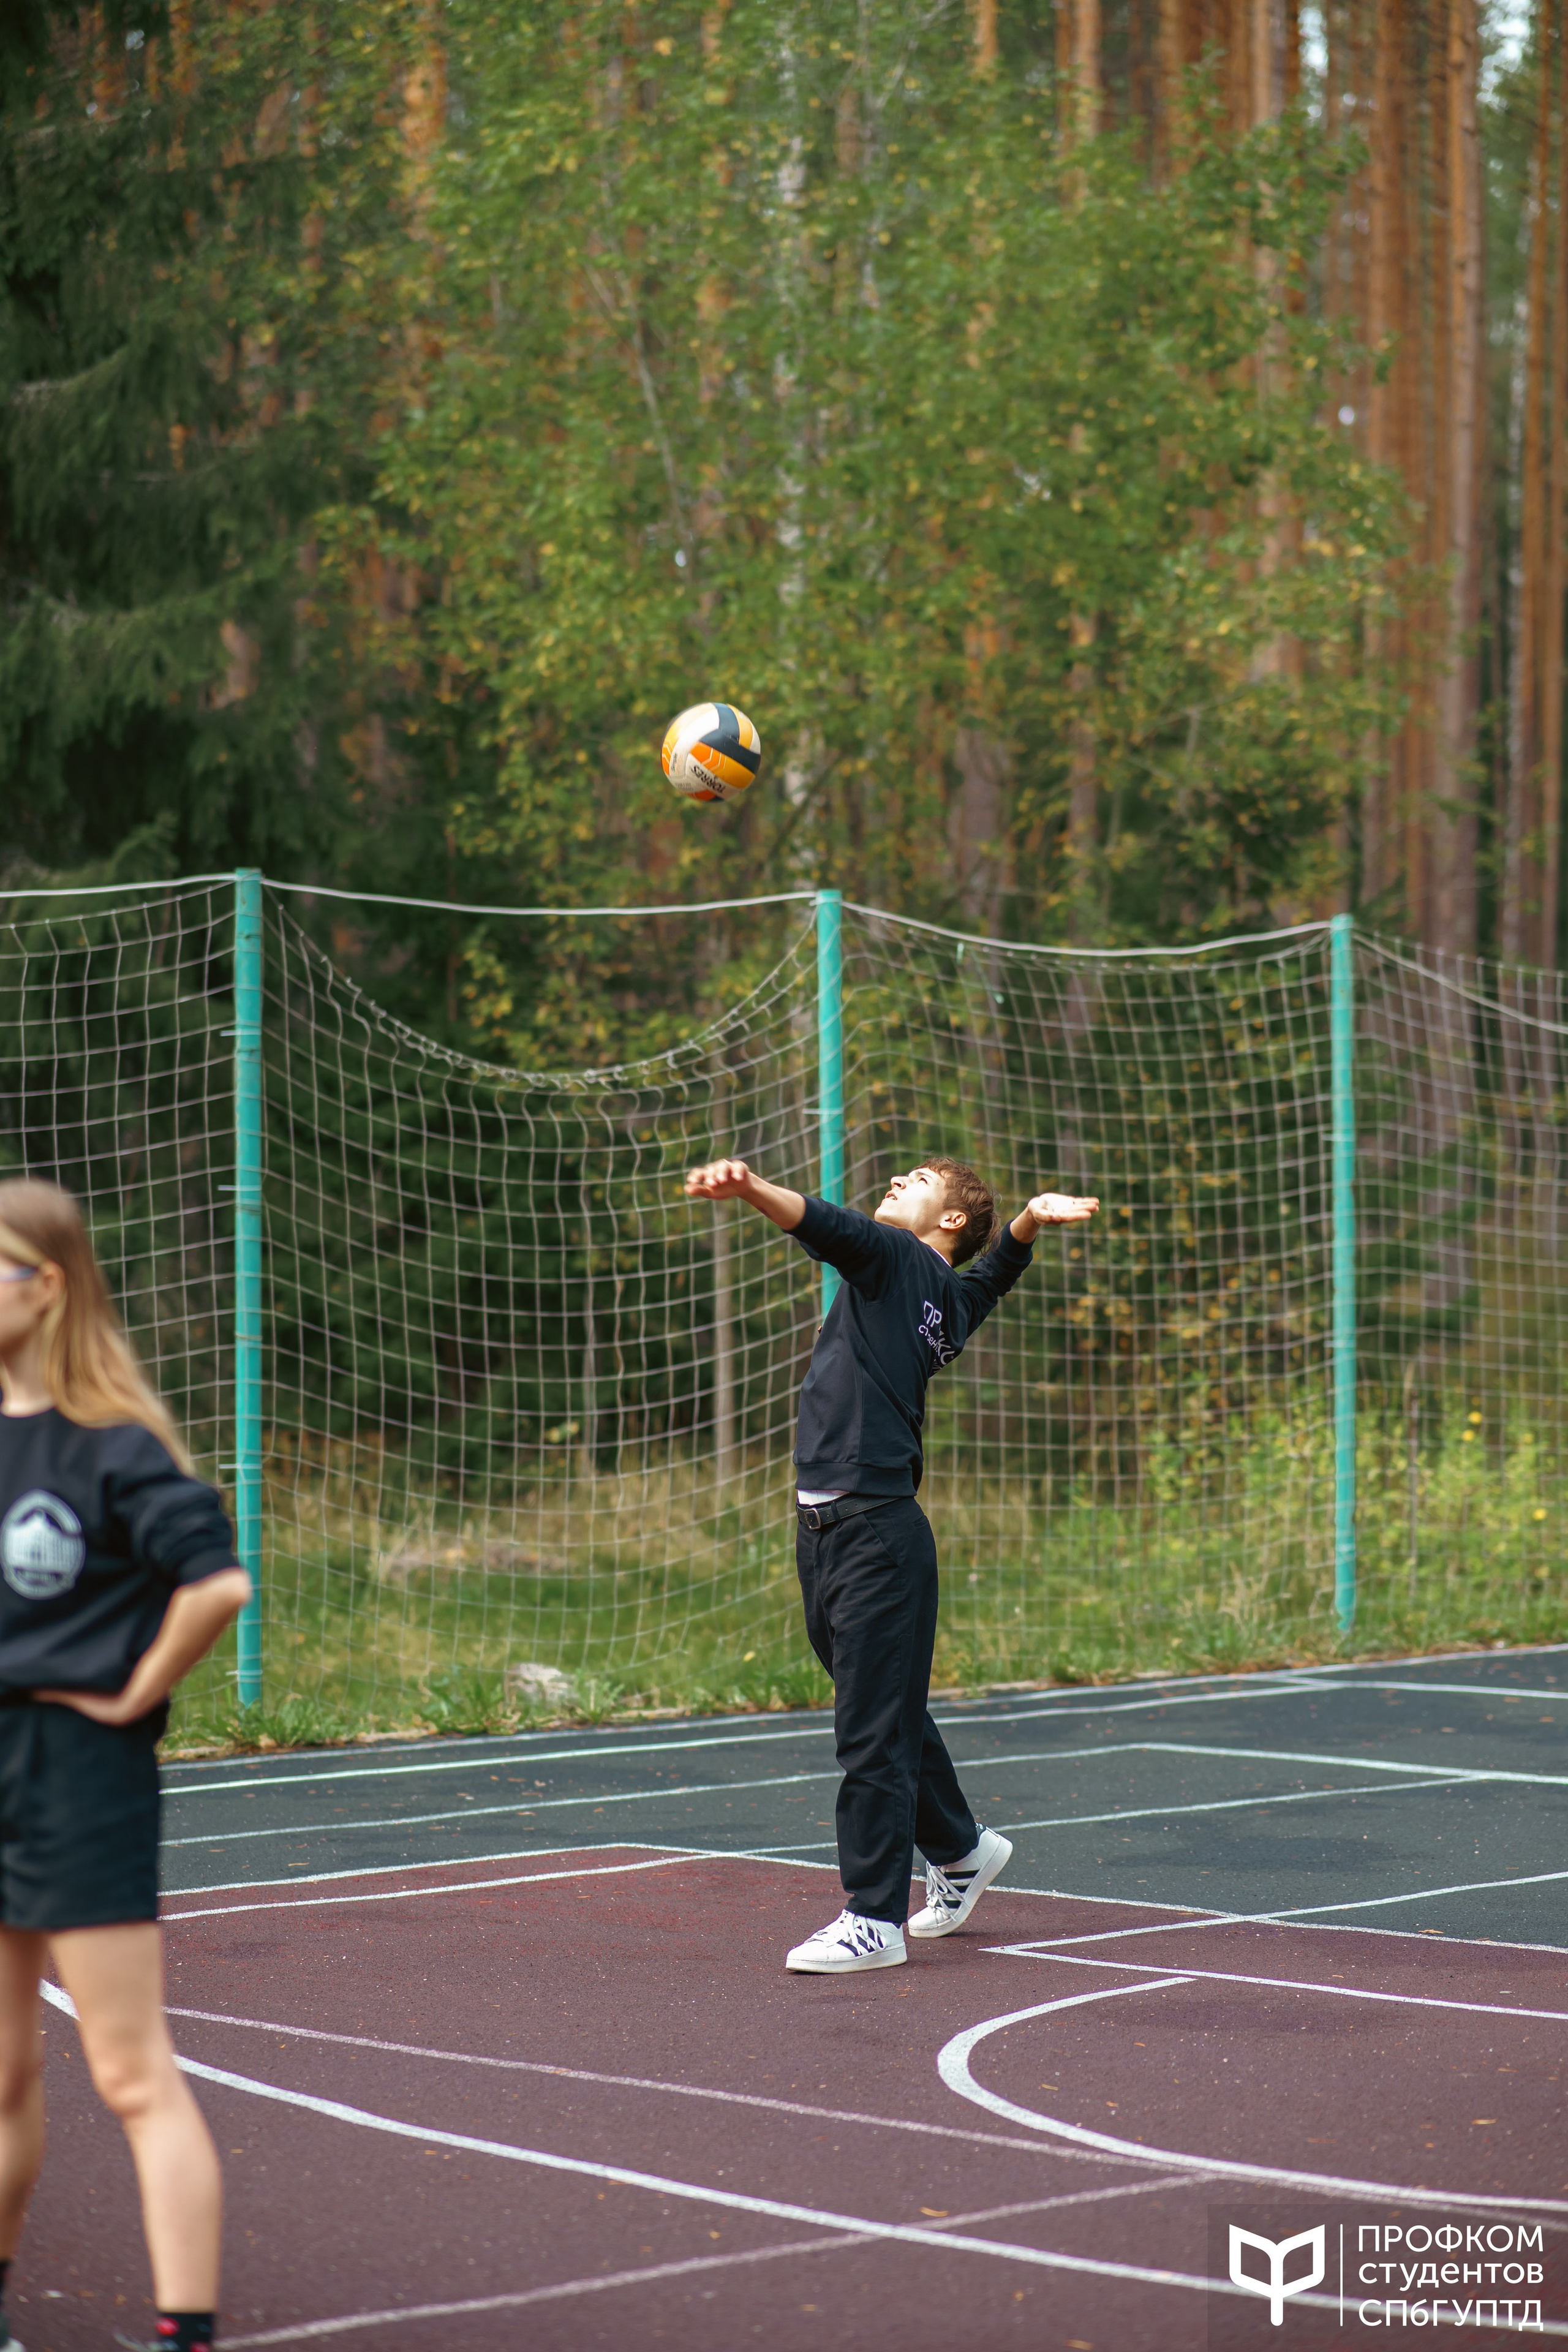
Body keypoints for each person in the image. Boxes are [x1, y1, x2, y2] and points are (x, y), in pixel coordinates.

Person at [683, 1154, 1099, 1974]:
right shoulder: (948, 1299)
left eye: (917, 1182)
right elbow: (997, 1275)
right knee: (883, 1707)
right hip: (832, 1531)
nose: (897, 1184)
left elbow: (828, 1226)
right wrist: (1026, 1222)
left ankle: (873, 1919)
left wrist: (753, 1189)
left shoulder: (897, 1258)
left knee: (869, 1730)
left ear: (945, 1223)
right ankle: (962, 1850)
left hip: (874, 1533)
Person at [0, 1179, 252, 2351]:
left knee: (131, 2074)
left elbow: (217, 1584)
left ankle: (185, 2332)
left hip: (79, 1781)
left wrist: (135, 1694)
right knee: (3, 2080)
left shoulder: (113, 1448)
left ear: (42, 1285)